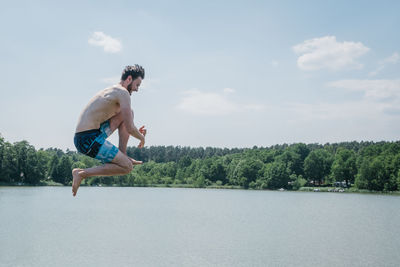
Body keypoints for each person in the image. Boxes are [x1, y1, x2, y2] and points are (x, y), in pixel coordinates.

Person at [72, 65, 147, 196]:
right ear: (129, 79)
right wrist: (141, 137)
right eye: (137, 85)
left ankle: (123, 155)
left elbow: (128, 123)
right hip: (86, 140)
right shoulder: (122, 93)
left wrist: (135, 133)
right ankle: (82, 173)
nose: (137, 89)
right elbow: (130, 128)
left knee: (129, 113)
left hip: (92, 134)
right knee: (127, 167)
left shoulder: (115, 91)